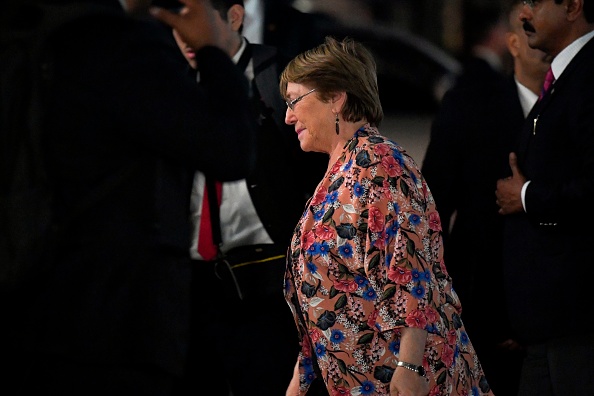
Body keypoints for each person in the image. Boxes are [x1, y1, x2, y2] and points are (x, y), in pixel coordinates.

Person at [3, 0, 258, 395]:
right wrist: (215, 50)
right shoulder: (123, 48)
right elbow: (229, 146)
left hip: (36, 306)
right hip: (117, 320)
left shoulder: (40, 39)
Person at [280, 36, 494, 396]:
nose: (288, 116)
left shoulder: (380, 166)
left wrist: (409, 366)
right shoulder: (339, 172)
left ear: (335, 97)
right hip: (362, 380)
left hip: (406, 377)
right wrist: (301, 378)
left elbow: (413, 274)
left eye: (294, 101)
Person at [170, 1, 326, 395]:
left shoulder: (279, 76)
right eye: (177, 22)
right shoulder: (165, 81)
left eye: (197, 21)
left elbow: (321, 172)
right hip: (188, 283)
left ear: (235, 18)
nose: (187, 34)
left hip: (267, 278)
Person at [420, 1, 552, 394]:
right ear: (511, 43)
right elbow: (433, 209)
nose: (543, 42)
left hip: (561, 316)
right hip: (480, 310)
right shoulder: (469, 106)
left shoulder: (577, 109)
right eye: (529, 31)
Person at [495, 0, 594, 394]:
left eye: (535, 2)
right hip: (547, 326)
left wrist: (526, 196)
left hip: (578, 322)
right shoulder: (564, 76)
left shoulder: (588, 77)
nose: (524, 14)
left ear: (572, 6)